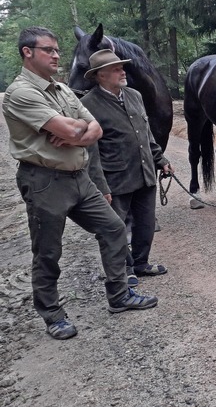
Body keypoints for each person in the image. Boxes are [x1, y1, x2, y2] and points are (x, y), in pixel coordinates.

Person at [2, 27, 158, 340]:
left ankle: (118, 295)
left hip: (78, 175)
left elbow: (93, 128)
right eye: (48, 50)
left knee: (113, 228)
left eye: (57, 50)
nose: (56, 55)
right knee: (48, 251)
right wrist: (77, 130)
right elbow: (76, 130)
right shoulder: (21, 93)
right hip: (44, 180)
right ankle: (52, 314)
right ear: (27, 52)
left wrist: (76, 131)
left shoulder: (61, 91)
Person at [81, 49, 173, 287]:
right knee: (117, 228)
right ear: (100, 75)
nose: (123, 71)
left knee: (145, 223)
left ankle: (141, 263)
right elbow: (90, 152)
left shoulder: (134, 95)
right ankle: (125, 269)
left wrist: (160, 159)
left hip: (144, 172)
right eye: (116, 69)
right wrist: (100, 185)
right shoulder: (87, 104)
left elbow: (146, 133)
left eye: (122, 67)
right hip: (115, 178)